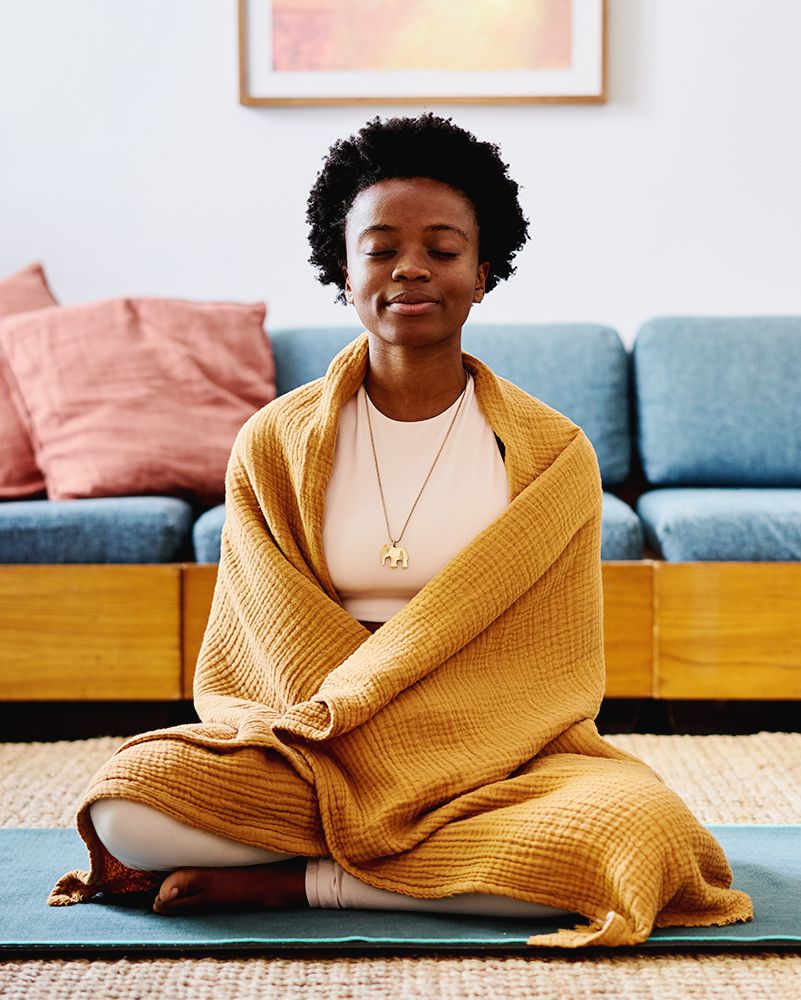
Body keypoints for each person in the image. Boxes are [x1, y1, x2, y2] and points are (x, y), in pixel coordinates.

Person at [87, 113, 573, 920]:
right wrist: (350, 730)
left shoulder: (552, 455)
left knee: (626, 834)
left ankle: (306, 880)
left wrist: (434, 739)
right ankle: (412, 855)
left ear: (483, 272)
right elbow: (257, 643)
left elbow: (554, 664)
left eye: (442, 251)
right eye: (380, 250)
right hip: (315, 742)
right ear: (343, 272)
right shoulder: (273, 442)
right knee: (127, 808)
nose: (409, 270)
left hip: (489, 751)